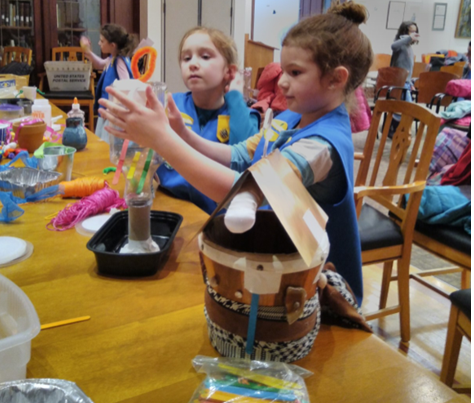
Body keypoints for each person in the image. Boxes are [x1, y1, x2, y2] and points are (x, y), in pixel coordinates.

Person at [99, 1, 373, 306]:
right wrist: (182, 134)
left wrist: (163, 140)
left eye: (295, 72)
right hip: (271, 267)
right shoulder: (292, 117)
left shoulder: (321, 147)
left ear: (336, 79)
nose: (281, 81)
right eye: (284, 70)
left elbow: (245, 190)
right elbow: (242, 155)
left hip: (312, 292)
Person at [157, 27, 261, 214]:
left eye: (205, 57)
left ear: (229, 71)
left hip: (214, 218)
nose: (193, 64)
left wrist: (236, 96)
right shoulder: (171, 105)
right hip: (168, 207)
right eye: (186, 58)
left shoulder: (242, 115)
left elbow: (245, 163)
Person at [80, 24, 137, 142]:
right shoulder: (112, 58)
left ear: (112, 45)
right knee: (101, 139)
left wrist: (116, 108)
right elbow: (100, 64)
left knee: (107, 143)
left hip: (114, 112)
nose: (99, 44)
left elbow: (126, 86)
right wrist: (88, 52)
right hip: (106, 110)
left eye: (102, 41)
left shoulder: (120, 61)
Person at [389, 21, 420, 136]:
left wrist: (410, 81)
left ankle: (393, 129)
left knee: (405, 107)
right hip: (399, 82)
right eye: (411, 31)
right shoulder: (401, 44)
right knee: (404, 107)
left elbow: (408, 68)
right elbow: (393, 46)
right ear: (405, 31)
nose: (414, 34)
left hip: (406, 82)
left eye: (415, 31)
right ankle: (394, 129)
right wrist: (408, 38)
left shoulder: (408, 47)